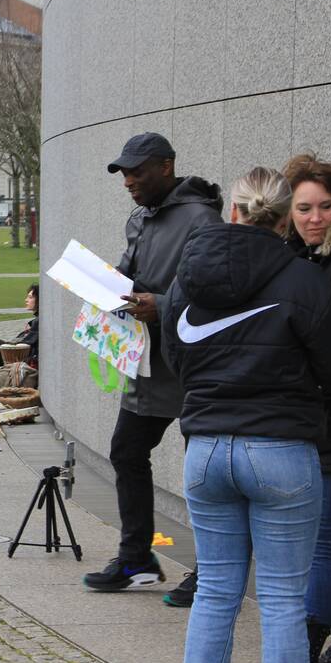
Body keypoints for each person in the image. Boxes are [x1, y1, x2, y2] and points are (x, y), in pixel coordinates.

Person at [159, 166, 331, 663]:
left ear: (233, 211)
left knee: (215, 591)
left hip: (206, 449)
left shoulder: (186, 277)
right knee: (281, 600)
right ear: (284, 221)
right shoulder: (303, 279)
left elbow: (177, 359)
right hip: (282, 450)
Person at [82, 133, 223, 601]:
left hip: (191, 364)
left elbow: (216, 293)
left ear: (166, 166)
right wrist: (106, 284)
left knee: (201, 473)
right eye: (124, 171)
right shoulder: (140, 216)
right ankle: (137, 557)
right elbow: (131, 274)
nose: (128, 180)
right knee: (126, 451)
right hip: (145, 362)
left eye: (137, 170)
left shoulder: (203, 218)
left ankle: (212, 572)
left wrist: (160, 304)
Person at [281, 153, 331, 663]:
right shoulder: (293, 262)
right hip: (306, 424)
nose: (315, 217)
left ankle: (309, 641)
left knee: (324, 543)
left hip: (325, 425)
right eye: (304, 208)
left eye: (325, 206)